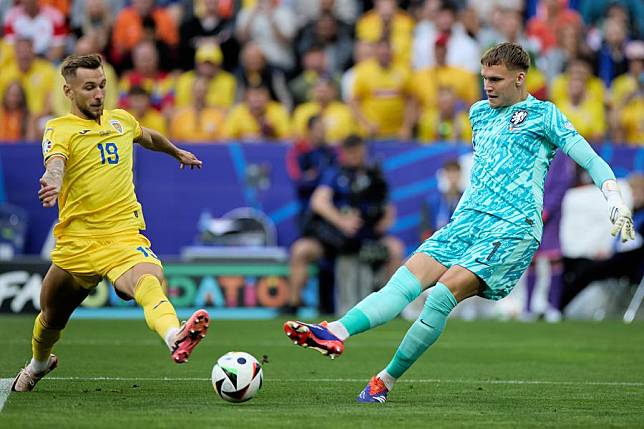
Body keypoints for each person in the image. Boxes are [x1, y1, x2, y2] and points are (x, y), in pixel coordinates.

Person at [283, 42, 636, 403]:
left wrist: (615, 198)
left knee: (440, 296)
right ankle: (335, 331)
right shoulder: (479, 114)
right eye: (484, 78)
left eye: (496, 79)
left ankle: (383, 382)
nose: (488, 86)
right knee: (402, 284)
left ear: (519, 78)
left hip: (512, 228)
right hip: (465, 223)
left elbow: (590, 159)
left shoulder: (544, 115)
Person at [11, 54, 209, 393]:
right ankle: (38, 365)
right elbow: (55, 161)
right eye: (89, 87)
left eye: (102, 85)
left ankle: (174, 336)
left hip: (121, 236)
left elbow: (148, 137)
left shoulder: (121, 121)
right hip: (77, 243)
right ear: (69, 91)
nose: (99, 94)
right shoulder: (59, 128)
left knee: (149, 278)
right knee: (51, 317)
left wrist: (176, 152)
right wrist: (54, 179)